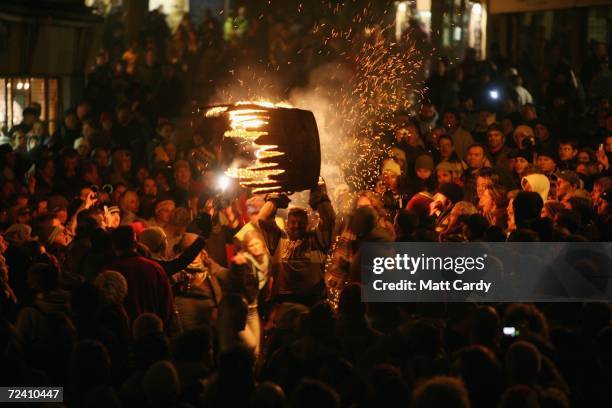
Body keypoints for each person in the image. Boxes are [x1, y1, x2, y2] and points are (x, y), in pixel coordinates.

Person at [257, 182, 335, 307]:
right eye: (293, 222)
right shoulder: (278, 239)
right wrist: (275, 197)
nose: (297, 226)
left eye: (301, 222)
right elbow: (262, 219)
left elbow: (329, 219)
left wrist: (319, 195)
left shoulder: (316, 239)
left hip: (312, 302)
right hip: (284, 303)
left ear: (308, 224)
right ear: (287, 224)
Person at [105, 226, 176, 330]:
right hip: (153, 332)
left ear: (113, 245)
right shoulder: (155, 268)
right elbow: (167, 306)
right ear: (136, 244)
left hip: (121, 335)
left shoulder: (109, 272)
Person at [228, 230, 271, 355]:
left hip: (253, 308)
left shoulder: (267, 260)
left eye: (257, 244)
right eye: (251, 245)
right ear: (247, 248)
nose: (255, 248)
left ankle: (252, 373)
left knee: (257, 350)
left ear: (263, 245)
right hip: (240, 310)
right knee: (251, 345)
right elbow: (236, 281)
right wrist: (237, 266)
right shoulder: (244, 261)